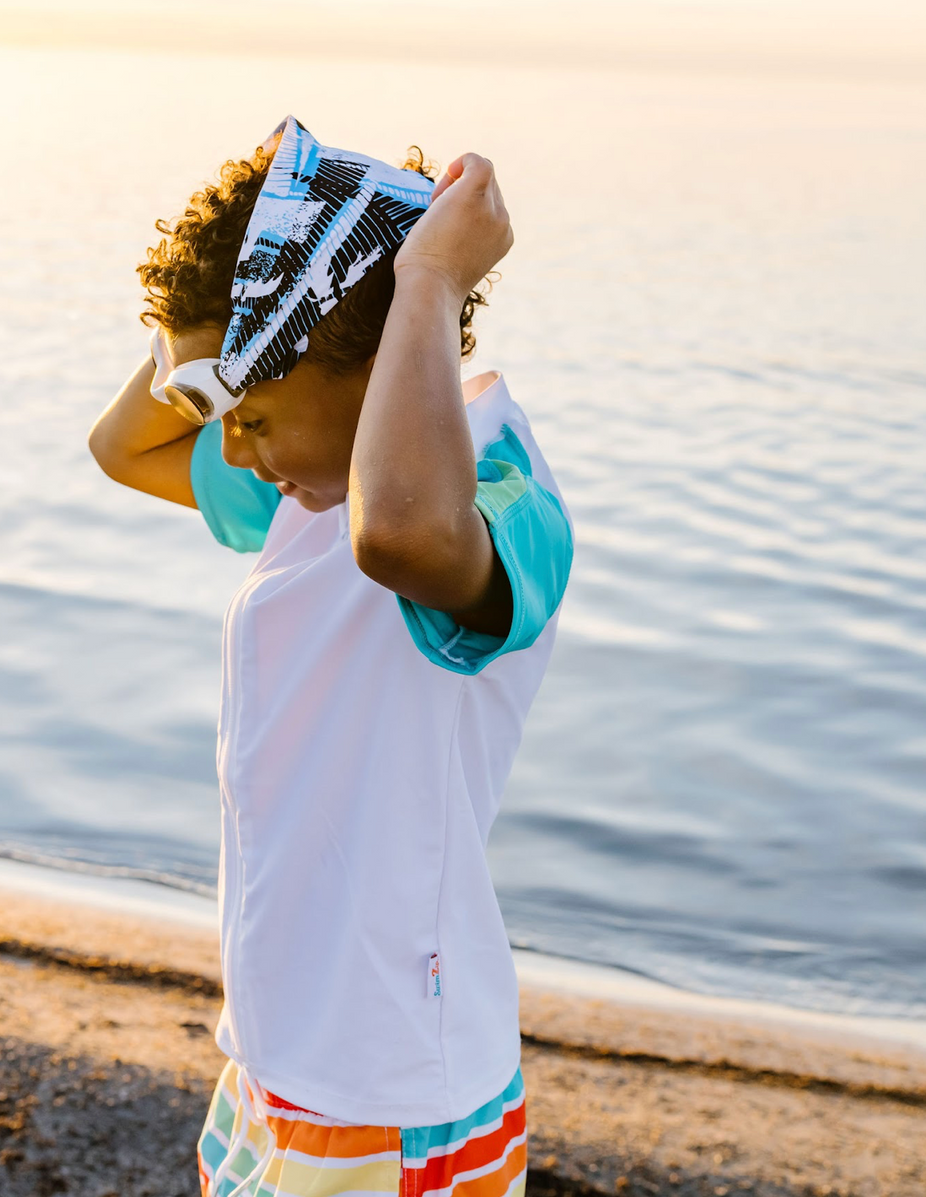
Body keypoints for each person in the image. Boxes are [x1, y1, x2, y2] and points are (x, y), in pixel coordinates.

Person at [87, 115, 574, 1197]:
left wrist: (427, 281)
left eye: (250, 413)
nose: (228, 446)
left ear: (361, 358)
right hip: (284, 1055)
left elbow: (397, 536)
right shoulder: (307, 485)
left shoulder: (496, 493)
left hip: (391, 1091)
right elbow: (124, 445)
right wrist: (224, 292)